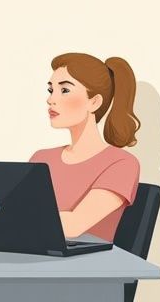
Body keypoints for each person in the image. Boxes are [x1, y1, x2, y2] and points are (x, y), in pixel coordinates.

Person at [31, 53, 141, 241]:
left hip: (85, 267)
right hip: (33, 254)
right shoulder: (41, 158)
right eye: (51, 90)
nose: (51, 100)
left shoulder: (122, 164)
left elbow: (73, 226)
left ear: (94, 102)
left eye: (64, 90)